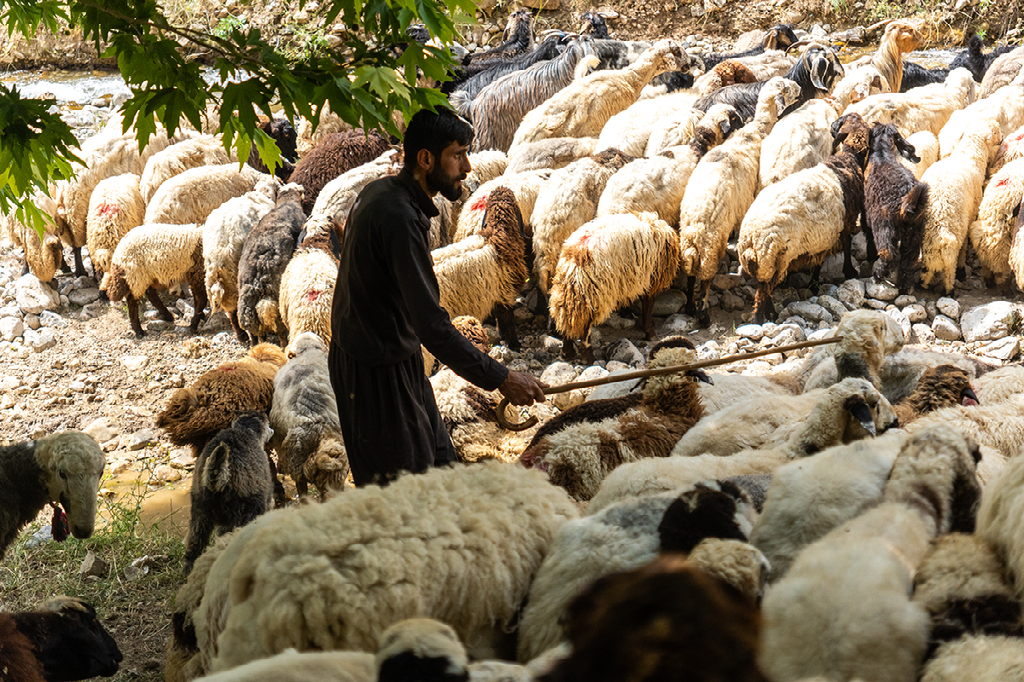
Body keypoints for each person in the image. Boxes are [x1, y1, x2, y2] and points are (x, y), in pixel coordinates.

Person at [329, 107, 547, 486]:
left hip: (393, 357)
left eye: (466, 153)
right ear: (426, 159)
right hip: (374, 374)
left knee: (441, 468)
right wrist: (501, 378)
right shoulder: (399, 218)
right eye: (457, 155)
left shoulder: (381, 193)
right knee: (405, 493)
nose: (467, 167)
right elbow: (431, 325)